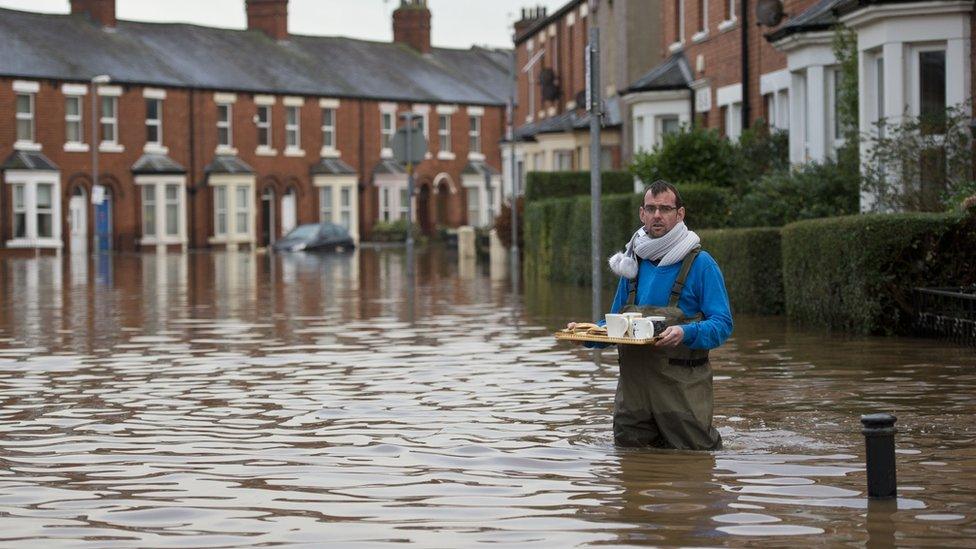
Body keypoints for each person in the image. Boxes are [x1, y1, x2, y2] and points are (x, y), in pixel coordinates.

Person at [570, 180, 732, 450]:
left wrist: (685, 332)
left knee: (694, 470)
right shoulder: (632, 265)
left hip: (682, 400)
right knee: (632, 476)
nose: (657, 215)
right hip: (633, 401)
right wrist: (588, 333)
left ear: (680, 214)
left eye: (665, 209)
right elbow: (615, 326)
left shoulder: (702, 264)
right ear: (642, 214)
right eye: (651, 208)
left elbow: (723, 325)